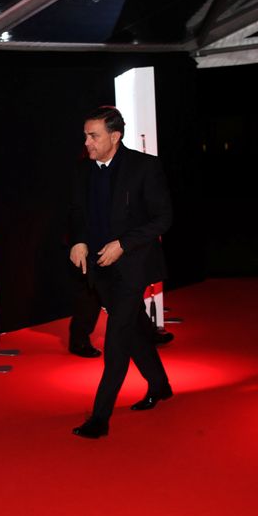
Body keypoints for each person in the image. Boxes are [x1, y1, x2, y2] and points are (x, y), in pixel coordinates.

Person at [69, 106, 174, 439]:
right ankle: (160, 385)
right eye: (86, 135)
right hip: (100, 268)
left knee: (116, 339)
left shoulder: (145, 167)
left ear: (115, 136)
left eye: (93, 135)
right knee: (131, 330)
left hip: (132, 265)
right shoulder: (84, 171)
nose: (87, 142)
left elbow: (163, 218)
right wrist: (79, 241)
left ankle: (99, 418)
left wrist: (123, 245)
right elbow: (78, 214)